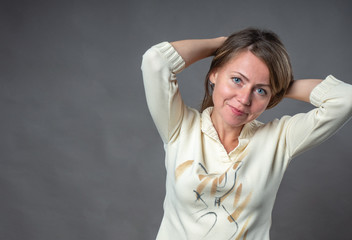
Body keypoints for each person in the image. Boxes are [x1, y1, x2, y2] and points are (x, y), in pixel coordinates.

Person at [141, 28, 352, 240]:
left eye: (260, 91)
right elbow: (155, 61)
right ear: (214, 74)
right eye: (237, 80)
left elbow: (346, 99)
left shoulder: (279, 140)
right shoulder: (179, 126)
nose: (244, 99)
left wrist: (279, 86)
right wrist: (223, 44)